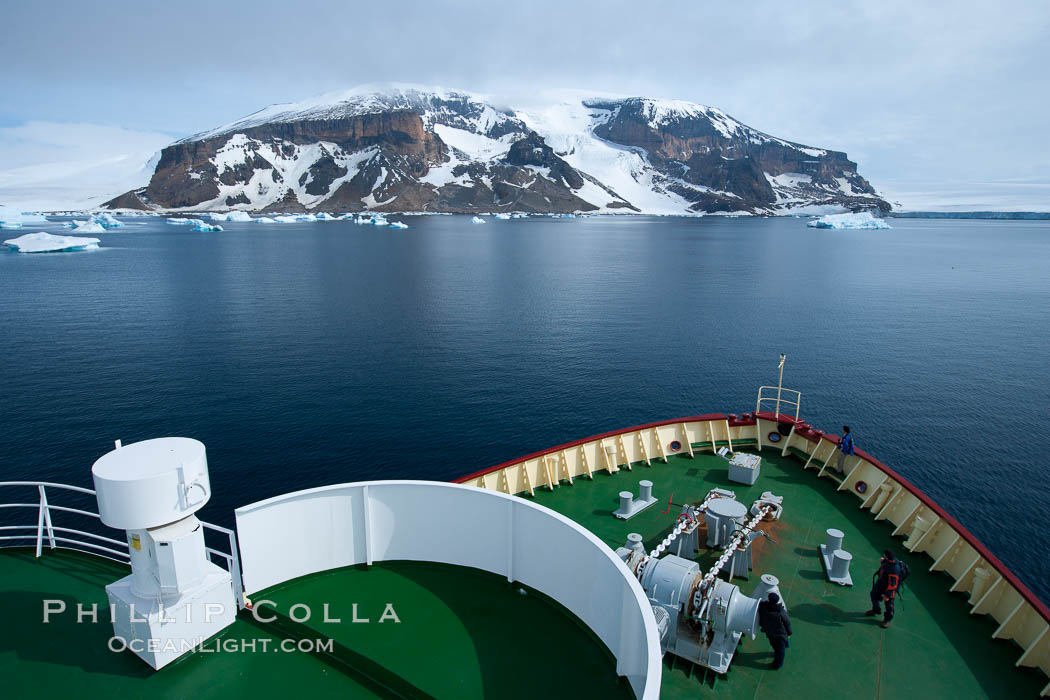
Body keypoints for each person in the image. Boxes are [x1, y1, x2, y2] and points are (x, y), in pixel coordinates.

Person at [867, 549, 902, 628]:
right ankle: (876, 609)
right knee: (873, 594)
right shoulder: (888, 561)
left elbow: (893, 584)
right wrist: (883, 562)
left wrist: (888, 595)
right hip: (881, 583)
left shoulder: (894, 569)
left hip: (889, 588)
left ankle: (887, 619)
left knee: (889, 604)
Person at [757, 592, 792, 669]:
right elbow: (787, 623)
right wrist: (789, 633)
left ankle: (777, 655)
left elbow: (761, 617)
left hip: (770, 633)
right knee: (780, 650)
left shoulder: (764, 608)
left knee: (775, 646)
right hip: (780, 635)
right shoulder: (781, 612)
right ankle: (777, 665)